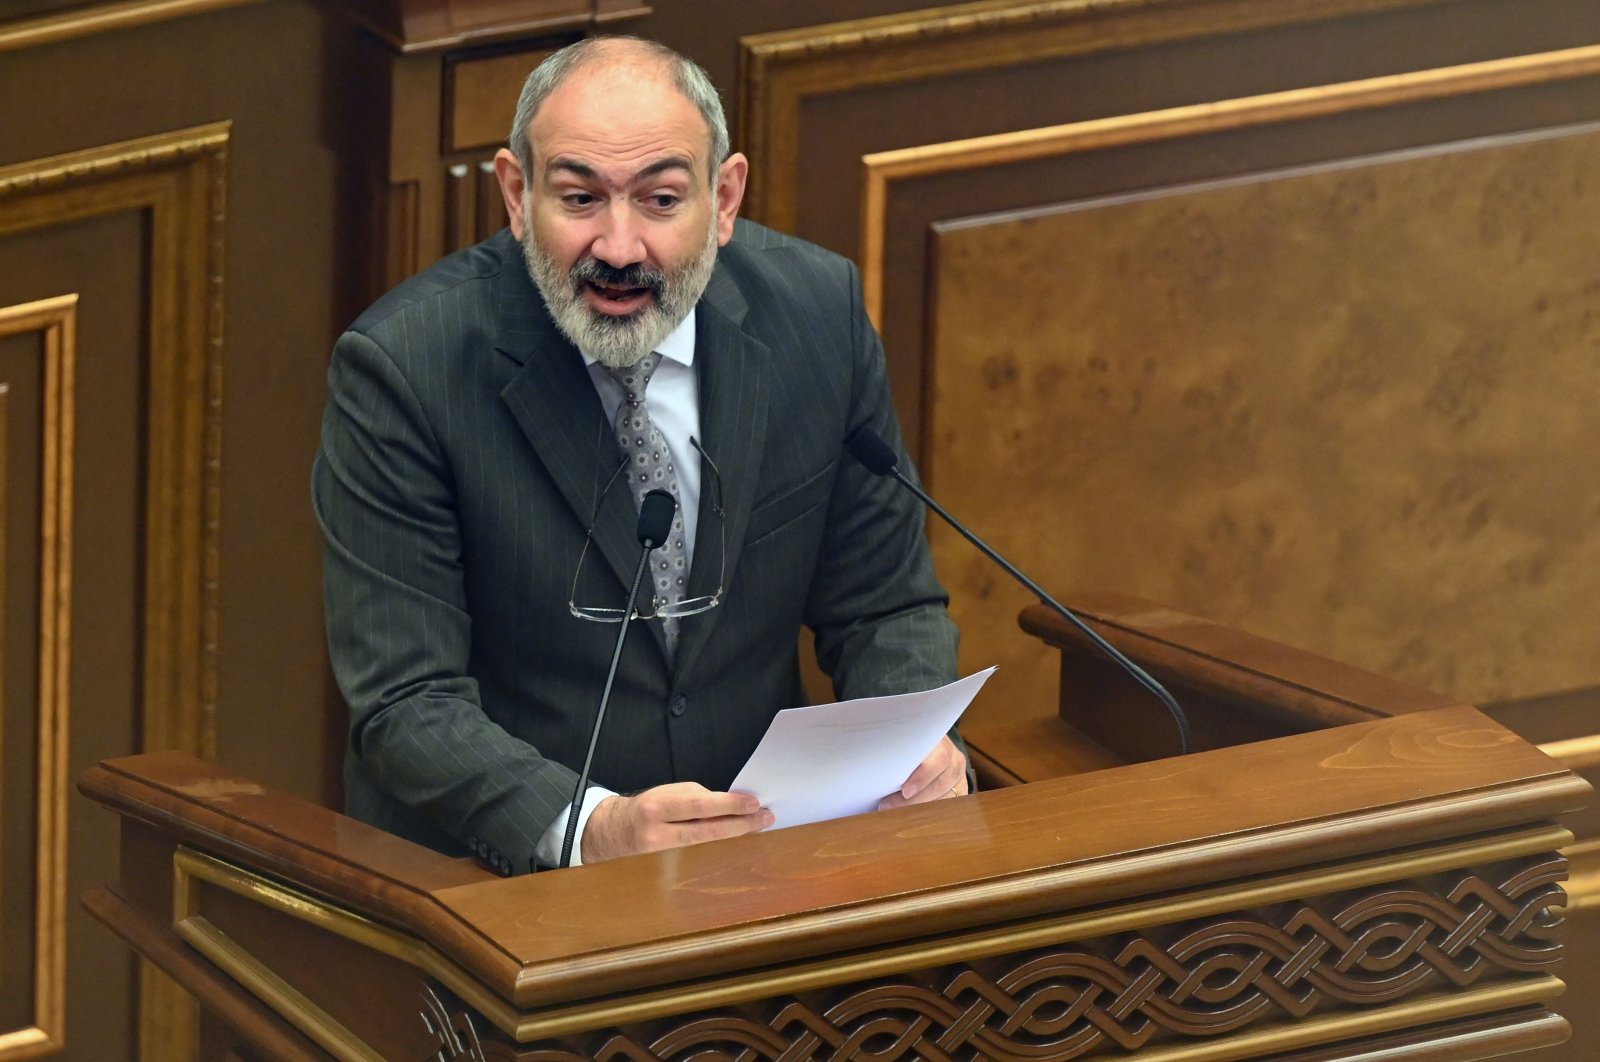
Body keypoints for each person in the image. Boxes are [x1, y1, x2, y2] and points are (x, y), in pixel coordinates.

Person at [313, 36, 966, 874]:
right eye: (580, 197)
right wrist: (591, 827)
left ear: (724, 199)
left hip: (764, 868)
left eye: (660, 200)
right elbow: (406, 702)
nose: (619, 249)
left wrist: (905, 745)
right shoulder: (406, 369)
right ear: (516, 195)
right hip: (499, 891)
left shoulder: (815, 316)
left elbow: (884, 609)